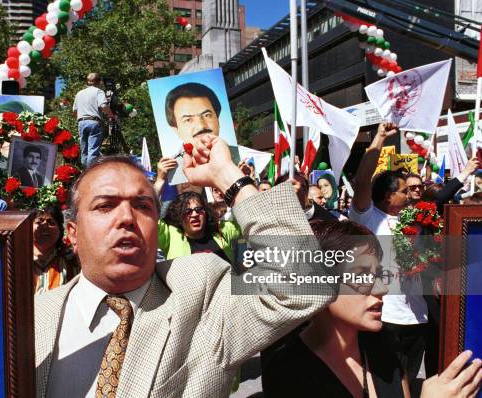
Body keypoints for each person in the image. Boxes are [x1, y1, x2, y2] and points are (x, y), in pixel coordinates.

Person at [34, 135, 335, 398]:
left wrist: (228, 177)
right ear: (72, 232)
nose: (127, 218)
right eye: (105, 205)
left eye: (143, 206)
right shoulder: (32, 318)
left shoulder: (199, 291)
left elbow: (300, 284)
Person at [263, 219, 482, 398]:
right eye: (361, 276)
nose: (382, 288)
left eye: (378, 274)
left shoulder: (384, 344)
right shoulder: (288, 372)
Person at [350, 122, 427, 387]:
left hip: (417, 317)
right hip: (386, 319)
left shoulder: (416, 220)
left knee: (409, 381)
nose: (410, 196)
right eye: (404, 191)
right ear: (387, 195)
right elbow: (361, 182)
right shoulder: (367, 217)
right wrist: (379, 139)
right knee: (386, 384)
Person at [160, 191, 240, 264]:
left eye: (199, 209)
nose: (194, 214)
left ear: (206, 213)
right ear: (178, 216)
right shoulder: (170, 236)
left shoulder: (221, 230)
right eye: (187, 211)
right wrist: (160, 181)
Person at [32, 205, 79, 294]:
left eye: (51, 222)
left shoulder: (72, 259)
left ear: (60, 230)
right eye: (39, 221)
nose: (45, 226)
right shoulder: (17, 260)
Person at [73, 73, 115, 167]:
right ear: (99, 82)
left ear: (87, 81)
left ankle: (84, 171)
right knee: (93, 150)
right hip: (93, 122)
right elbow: (103, 105)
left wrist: (81, 120)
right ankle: (90, 173)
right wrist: (112, 116)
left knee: (84, 151)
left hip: (81, 122)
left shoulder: (79, 93)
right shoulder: (98, 91)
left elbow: (75, 111)